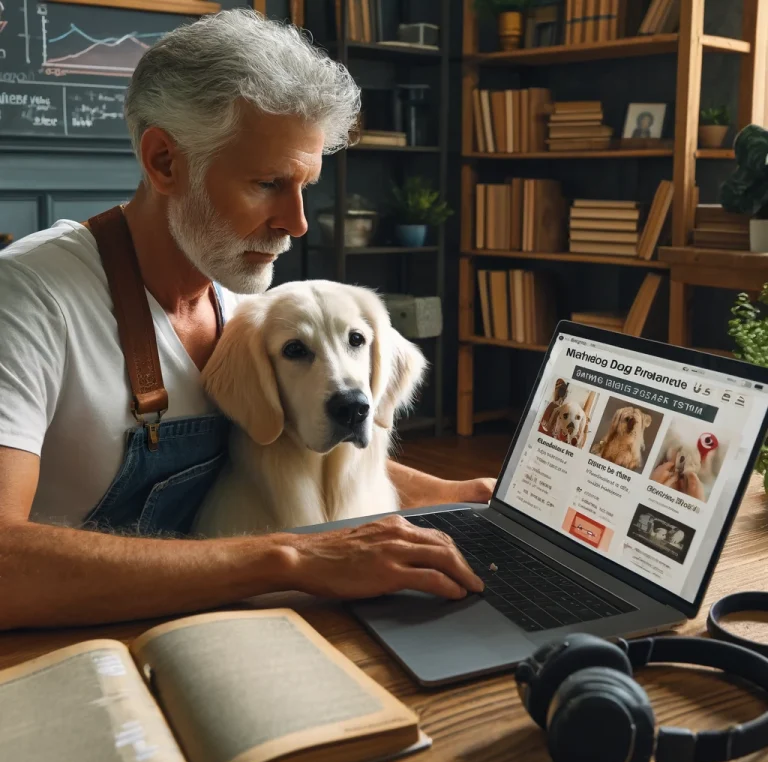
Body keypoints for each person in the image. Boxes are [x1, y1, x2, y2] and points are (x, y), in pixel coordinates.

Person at [0, 9, 492, 631]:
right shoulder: (28, 297)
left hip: (201, 628)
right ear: (164, 162)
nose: (298, 221)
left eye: (305, 185)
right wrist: (290, 558)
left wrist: (456, 496)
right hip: (66, 652)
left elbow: (298, 443)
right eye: (268, 183)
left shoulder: (242, 303)